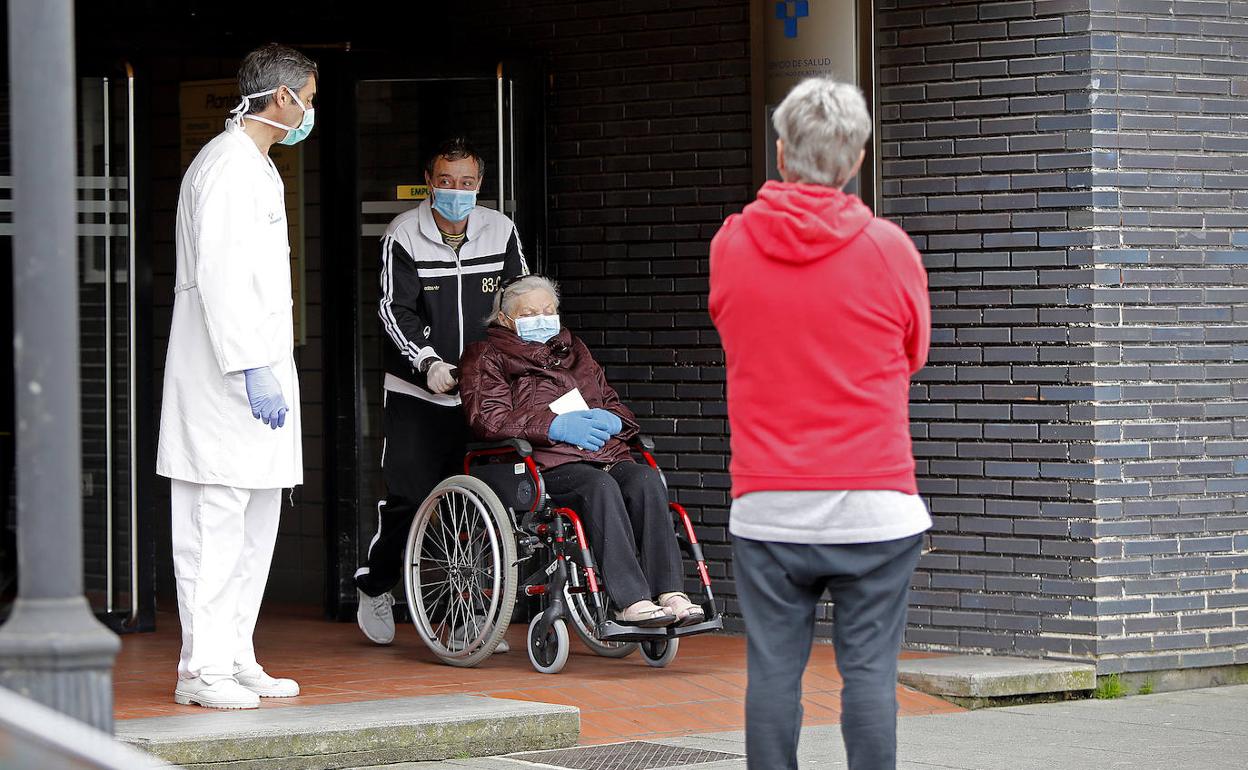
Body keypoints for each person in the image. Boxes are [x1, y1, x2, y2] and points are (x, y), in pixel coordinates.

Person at [709, 77, 932, 769]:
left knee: (773, 674)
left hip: (770, 503)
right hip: (873, 503)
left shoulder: (732, 245)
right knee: (868, 675)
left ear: (781, 152)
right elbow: (913, 352)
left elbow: (734, 331)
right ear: (857, 159)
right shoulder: (888, 248)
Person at [156, 43, 317, 710]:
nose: (311, 109)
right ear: (282, 99)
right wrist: (250, 366)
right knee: (213, 529)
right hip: (225, 378)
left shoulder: (258, 167)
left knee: (254, 529)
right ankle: (201, 670)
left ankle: (236, 655)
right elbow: (220, 277)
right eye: (308, 96)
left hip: (258, 375)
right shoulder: (225, 168)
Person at [355, 137, 528, 647]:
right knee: (411, 499)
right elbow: (394, 311)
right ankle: (377, 584)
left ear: (480, 185)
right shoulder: (403, 234)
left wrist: (511, 362)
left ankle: (470, 614)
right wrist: (426, 361)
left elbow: (517, 297)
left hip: (484, 393)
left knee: (481, 502)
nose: (457, 191)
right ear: (430, 183)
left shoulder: (501, 230)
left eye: (468, 183)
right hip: (418, 392)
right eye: (447, 182)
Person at [458, 275, 703, 627]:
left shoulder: (575, 350)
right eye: (530, 312)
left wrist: (615, 421)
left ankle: (670, 593)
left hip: (602, 454)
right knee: (597, 487)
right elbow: (487, 418)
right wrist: (552, 425)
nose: (542, 317)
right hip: (540, 463)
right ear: (505, 318)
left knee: (645, 480)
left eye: (548, 310)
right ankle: (630, 601)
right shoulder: (486, 356)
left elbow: (614, 404)